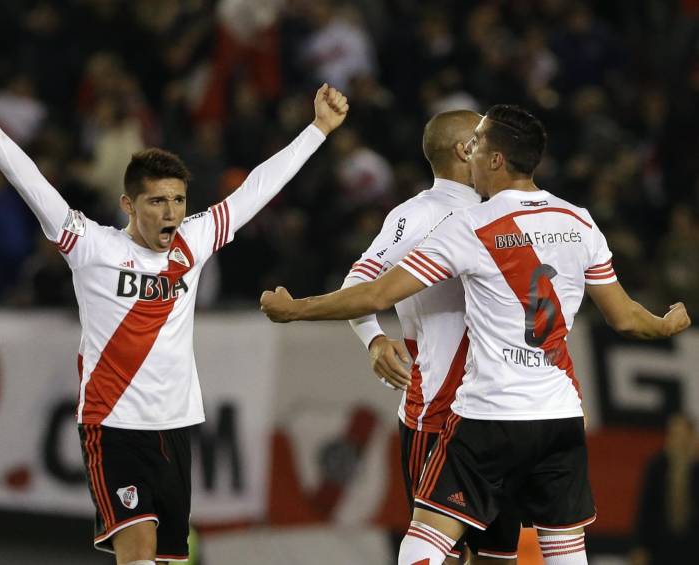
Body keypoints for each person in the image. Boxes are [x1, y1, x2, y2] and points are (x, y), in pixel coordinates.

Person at [260, 104, 692, 565]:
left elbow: (374, 293)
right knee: (549, 552)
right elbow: (625, 317)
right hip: (553, 410)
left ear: (491, 157)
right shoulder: (577, 220)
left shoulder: (472, 225)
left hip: (484, 414)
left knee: (429, 544)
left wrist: (295, 310)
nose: (475, 150)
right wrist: (665, 324)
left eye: (483, 142)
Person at [0, 73, 348, 565]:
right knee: (138, 551)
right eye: (157, 201)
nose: (172, 213)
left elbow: (257, 188)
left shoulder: (194, 241)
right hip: (112, 424)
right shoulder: (92, 246)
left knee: (166, 559)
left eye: (179, 200)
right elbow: (31, 182)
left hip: (176, 426)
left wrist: (317, 129)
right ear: (129, 204)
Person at [342, 110, 519, 564]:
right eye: (485, 137)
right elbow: (357, 283)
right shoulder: (418, 215)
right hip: (440, 413)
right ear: (465, 150)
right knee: (439, 552)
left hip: (501, 412)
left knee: (498, 556)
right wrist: (375, 340)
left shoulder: (502, 210)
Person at [631, 413, 699, 565]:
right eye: (674, 434)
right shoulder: (657, 467)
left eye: (682, 434)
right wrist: (640, 548)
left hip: (693, 547)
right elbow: (645, 510)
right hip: (661, 547)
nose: (677, 440)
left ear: (691, 436)